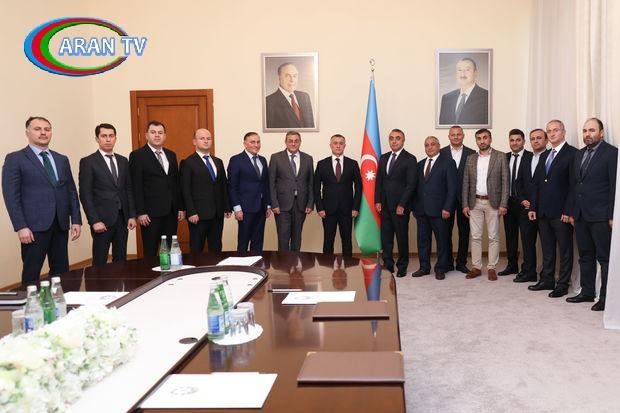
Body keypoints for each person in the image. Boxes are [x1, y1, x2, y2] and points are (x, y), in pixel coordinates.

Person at [2, 117, 82, 285]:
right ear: (27, 132)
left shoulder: (61, 159)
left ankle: (60, 301)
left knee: (61, 273)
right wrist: (21, 226)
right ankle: (30, 302)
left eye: (47, 129)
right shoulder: (15, 158)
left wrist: (76, 220)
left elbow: (71, 191)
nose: (43, 132)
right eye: (37, 129)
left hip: (60, 224)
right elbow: (11, 196)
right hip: (33, 227)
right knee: (31, 273)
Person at [566, 118, 617, 310]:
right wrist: (573, 212)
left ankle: (605, 299)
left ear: (601, 133)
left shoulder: (611, 153)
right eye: (585, 130)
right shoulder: (579, 154)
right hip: (580, 215)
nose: (588, 134)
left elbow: (614, 187)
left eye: (592, 130)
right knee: (585, 255)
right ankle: (587, 292)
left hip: (601, 215)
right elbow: (575, 185)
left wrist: (612, 215)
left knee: (604, 259)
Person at [528, 120, 577, 298]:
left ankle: (562, 284)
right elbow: (536, 184)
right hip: (543, 211)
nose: (552, 133)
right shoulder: (545, 155)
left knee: (565, 250)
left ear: (563, 132)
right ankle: (547, 279)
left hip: (561, 212)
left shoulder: (573, 154)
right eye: (549, 131)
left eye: (556, 130)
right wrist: (533, 207)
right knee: (547, 249)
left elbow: (574, 185)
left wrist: (568, 210)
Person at [79, 123, 136, 266]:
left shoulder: (123, 161)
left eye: (111, 136)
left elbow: (129, 189)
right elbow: (85, 194)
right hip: (101, 220)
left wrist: (131, 215)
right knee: (100, 261)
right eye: (104, 136)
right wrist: (94, 221)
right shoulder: (88, 162)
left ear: (116, 138)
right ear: (97, 139)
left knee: (121, 259)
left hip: (122, 218)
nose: (108, 139)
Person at [129, 120, 184, 257]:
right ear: (146, 135)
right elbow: (136, 186)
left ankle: (170, 271)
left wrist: (180, 207)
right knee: (151, 251)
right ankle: (151, 272)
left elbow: (176, 184)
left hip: (171, 212)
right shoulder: (137, 155)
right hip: (150, 214)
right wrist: (140, 212)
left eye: (160, 132)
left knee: (171, 250)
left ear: (165, 136)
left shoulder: (171, 155)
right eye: (153, 132)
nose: (157, 135)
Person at [462, 128, 509, 280]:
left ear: (490, 139)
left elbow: (505, 182)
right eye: (479, 138)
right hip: (474, 202)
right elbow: (466, 183)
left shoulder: (500, 156)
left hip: (493, 203)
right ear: (476, 141)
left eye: (485, 137)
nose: (482, 141)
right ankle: (476, 267)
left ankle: (491, 267)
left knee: (493, 236)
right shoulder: (470, 158)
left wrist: (503, 204)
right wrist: (465, 204)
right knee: (475, 236)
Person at [411, 136, 457, 280]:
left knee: (442, 241)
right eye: (427, 145)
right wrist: (414, 208)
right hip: (421, 210)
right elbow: (415, 188)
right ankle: (424, 267)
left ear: (438, 146)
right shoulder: (420, 164)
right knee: (423, 241)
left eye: (432, 144)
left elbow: (452, 188)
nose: (429, 147)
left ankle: (441, 268)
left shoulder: (448, 163)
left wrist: (447, 208)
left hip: (440, 211)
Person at [180, 128, 231, 253]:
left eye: (208, 138)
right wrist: (191, 212)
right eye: (202, 138)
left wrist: (227, 207)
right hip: (198, 215)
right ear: (194, 141)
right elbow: (185, 190)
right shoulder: (188, 162)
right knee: (197, 249)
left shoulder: (218, 161)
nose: (206, 141)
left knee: (216, 248)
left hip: (217, 214)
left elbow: (223, 186)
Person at [374, 129, 417, 277]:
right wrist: (378, 200)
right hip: (385, 205)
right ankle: (388, 264)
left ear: (403, 141)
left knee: (401, 237)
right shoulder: (384, 158)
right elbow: (379, 181)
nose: (394, 141)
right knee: (386, 238)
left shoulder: (410, 159)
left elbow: (411, 185)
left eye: (398, 138)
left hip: (400, 207)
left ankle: (402, 266)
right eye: (391, 138)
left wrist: (402, 204)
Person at [313, 134, 362, 256]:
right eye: (335, 143)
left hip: (347, 210)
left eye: (341, 143)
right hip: (327, 210)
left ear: (344, 146)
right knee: (328, 241)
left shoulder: (353, 164)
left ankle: (347, 266)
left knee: (347, 241)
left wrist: (355, 207)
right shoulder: (322, 164)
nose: (338, 146)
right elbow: (316, 188)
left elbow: (359, 188)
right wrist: (320, 208)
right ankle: (327, 266)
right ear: (330, 145)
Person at [513, 128, 548, 283]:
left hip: (543, 209)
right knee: (527, 243)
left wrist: (534, 203)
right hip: (525, 209)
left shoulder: (550, 157)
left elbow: (546, 186)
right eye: (533, 138)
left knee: (547, 245)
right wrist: (522, 200)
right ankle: (529, 272)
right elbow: (518, 182)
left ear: (546, 140)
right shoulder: (526, 158)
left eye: (539, 138)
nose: (536, 141)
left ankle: (546, 275)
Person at [269, 131, 314, 251]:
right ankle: (284, 262)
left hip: (301, 204)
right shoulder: (276, 158)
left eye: (296, 141)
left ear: (300, 142)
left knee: (297, 238)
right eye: (290, 141)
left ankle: (295, 262)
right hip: (282, 205)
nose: (293, 143)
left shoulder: (308, 158)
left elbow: (311, 183)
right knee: (283, 238)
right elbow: (271, 182)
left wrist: (310, 203)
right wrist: (274, 203)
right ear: (285, 142)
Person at [227, 132, 271, 253]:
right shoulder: (236, 160)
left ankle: (256, 264)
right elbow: (232, 186)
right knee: (243, 241)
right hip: (244, 208)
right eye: (252, 142)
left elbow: (265, 184)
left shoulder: (263, 160)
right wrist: (237, 208)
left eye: (258, 142)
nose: (256, 145)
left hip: (261, 207)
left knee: (258, 241)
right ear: (245, 144)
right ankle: (241, 264)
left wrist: (268, 205)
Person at [440, 125, 475, 273]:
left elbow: (473, 178)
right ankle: (447, 262)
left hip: (464, 199)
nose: (456, 137)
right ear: (449, 136)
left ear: (463, 136)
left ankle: (461, 263)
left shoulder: (472, 153)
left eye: (458, 134)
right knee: (445, 232)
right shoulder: (441, 152)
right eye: (453, 134)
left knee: (464, 232)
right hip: (445, 199)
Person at [498, 129, 532, 276]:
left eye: (518, 140)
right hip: (509, 202)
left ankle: (527, 269)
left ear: (523, 141)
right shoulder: (504, 157)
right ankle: (512, 265)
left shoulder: (531, 157)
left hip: (524, 203)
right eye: (512, 140)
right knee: (510, 236)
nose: (515, 143)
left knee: (526, 238)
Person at [438, 58, 489, 125]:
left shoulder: (486, 96)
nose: (463, 73)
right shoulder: (446, 98)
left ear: (475, 73)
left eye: (467, 70)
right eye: (459, 70)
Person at [265, 63, 315, 129]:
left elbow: (311, 126)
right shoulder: (269, 102)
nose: (292, 80)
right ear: (279, 77)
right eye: (287, 76)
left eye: (294, 76)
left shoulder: (305, 97)